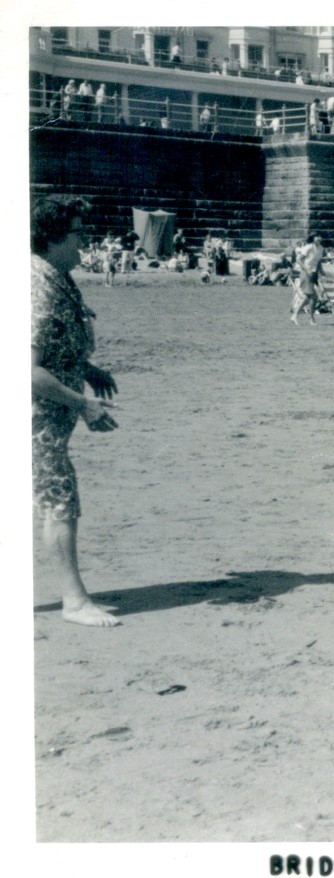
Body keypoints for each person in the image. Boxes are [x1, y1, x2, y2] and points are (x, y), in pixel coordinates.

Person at [31, 196, 120, 627]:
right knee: (58, 498)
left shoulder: (56, 277)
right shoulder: (39, 287)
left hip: (46, 419)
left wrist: (85, 368)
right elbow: (25, 370)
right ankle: (74, 601)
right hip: (33, 419)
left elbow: (55, 346)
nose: (85, 241)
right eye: (78, 233)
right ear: (53, 238)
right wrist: (82, 402)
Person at [291, 233, 325, 325]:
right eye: (317, 236)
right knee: (313, 296)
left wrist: (322, 272)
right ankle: (311, 318)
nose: (319, 238)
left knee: (308, 297)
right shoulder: (308, 247)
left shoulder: (321, 248)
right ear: (313, 238)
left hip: (313, 274)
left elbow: (318, 262)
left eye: (320, 236)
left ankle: (295, 315)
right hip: (305, 273)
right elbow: (298, 259)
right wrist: (306, 270)